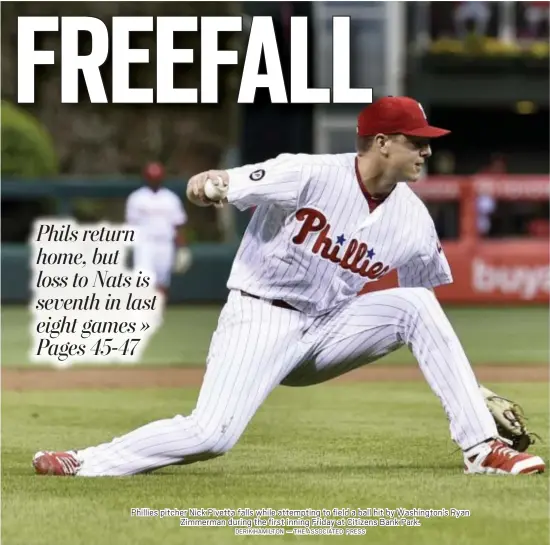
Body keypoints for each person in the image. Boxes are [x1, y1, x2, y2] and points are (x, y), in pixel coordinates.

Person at [33, 97, 545, 477]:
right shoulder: (307, 173)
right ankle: (85, 462)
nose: (427, 151)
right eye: (416, 141)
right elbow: (219, 182)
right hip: (260, 316)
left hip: (329, 329)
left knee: (415, 304)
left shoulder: (414, 219)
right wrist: (209, 185)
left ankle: (480, 449)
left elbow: (427, 319)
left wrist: (474, 394)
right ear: (381, 142)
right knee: (213, 435)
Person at [124, 161, 192, 314]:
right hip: (144, 243)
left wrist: (182, 248)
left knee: (162, 280)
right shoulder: (136, 198)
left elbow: (178, 224)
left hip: (165, 243)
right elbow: (131, 223)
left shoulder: (171, 198)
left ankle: (158, 310)